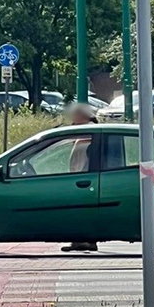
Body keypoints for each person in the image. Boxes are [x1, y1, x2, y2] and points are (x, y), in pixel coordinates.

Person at [62, 103, 99, 253]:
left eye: (75, 114)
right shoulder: (82, 130)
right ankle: (80, 240)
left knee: (82, 210)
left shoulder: (88, 131)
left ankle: (85, 240)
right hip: (80, 177)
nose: (72, 117)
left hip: (84, 178)